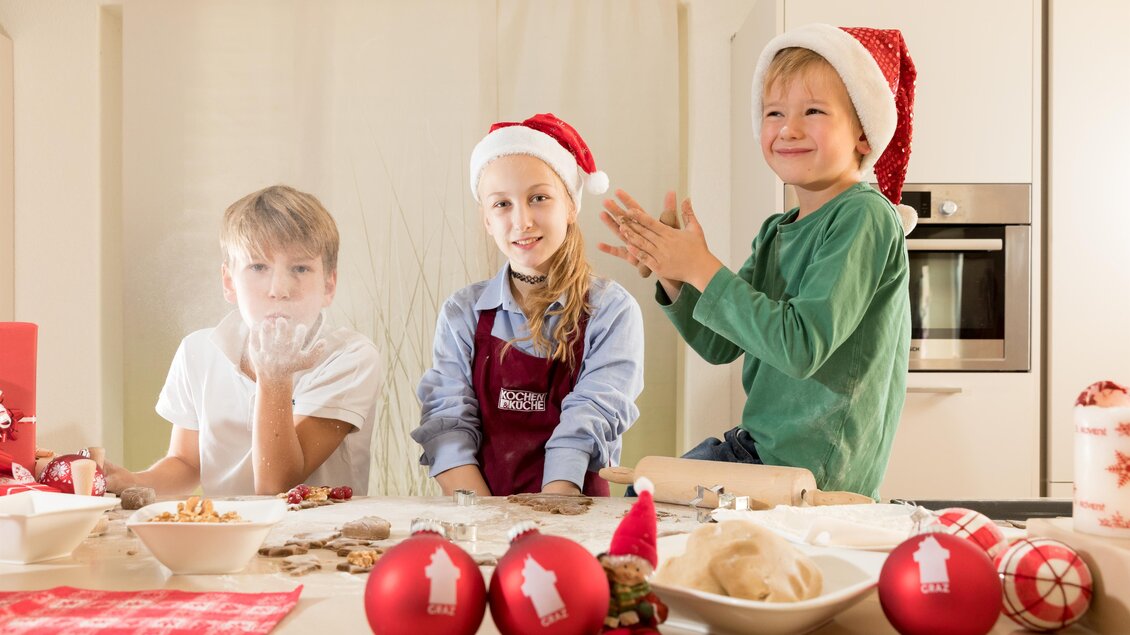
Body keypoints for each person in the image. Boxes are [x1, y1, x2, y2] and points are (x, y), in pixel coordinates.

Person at [599, 24, 917, 499]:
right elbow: (718, 343)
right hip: (763, 451)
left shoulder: (864, 215)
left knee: (645, 501)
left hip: (811, 471)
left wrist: (701, 267)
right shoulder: (778, 229)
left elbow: (800, 347)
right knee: (645, 494)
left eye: (813, 111)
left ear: (864, 135)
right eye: (774, 112)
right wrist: (676, 276)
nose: (788, 128)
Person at [413, 113, 645, 497]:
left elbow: (588, 419)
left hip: (573, 520)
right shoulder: (462, 314)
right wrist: (487, 525)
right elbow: (448, 425)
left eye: (539, 198)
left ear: (570, 206)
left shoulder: (611, 312)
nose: (522, 221)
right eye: (502, 204)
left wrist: (550, 521)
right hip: (479, 521)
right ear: (487, 220)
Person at [104, 185, 382, 497]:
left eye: (300, 268)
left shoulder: (351, 358)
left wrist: (275, 377)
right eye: (258, 267)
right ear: (229, 282)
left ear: (328, 285)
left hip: (322, 539)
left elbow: (277, 486)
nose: (279, 288)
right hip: (226, 534)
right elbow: (186, 462)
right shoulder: (198, 352)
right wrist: (129, 481)